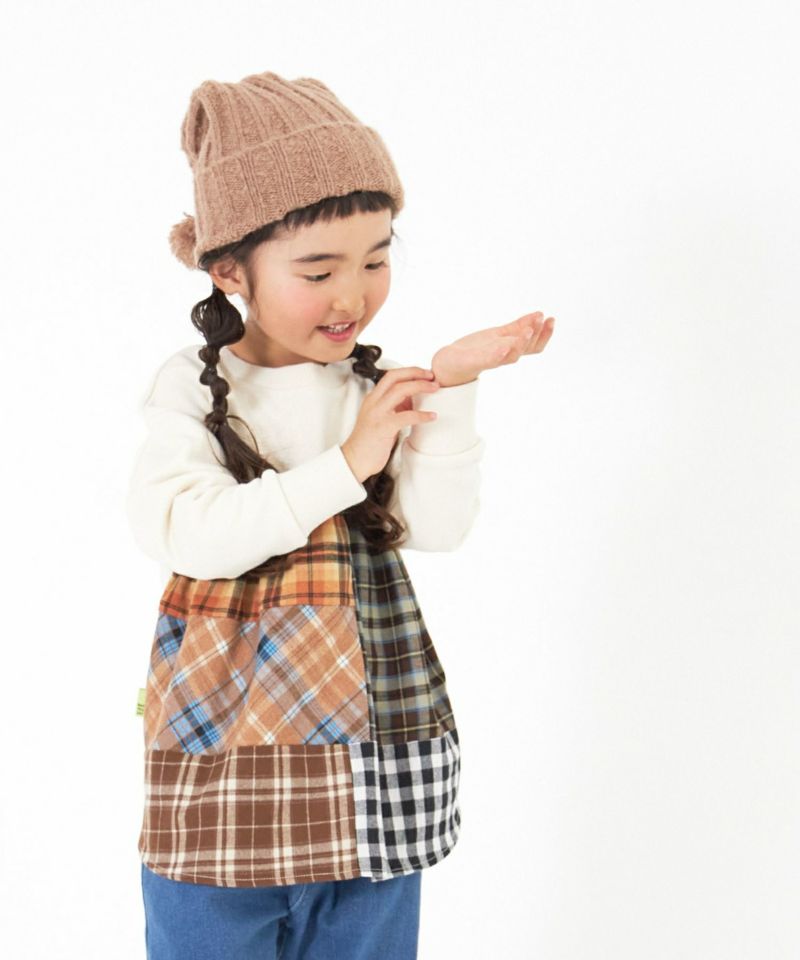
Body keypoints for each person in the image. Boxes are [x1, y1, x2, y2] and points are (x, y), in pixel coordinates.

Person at [125, 69, 555, 960]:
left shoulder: (373, 384)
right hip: (228, 749)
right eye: (318, 270)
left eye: (376, 259)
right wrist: (349, 461)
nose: (352, 295)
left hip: (376, 754)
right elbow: (188, 531)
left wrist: (451, 388)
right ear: (229, 270)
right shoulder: (193, 388)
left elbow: (436, 528)